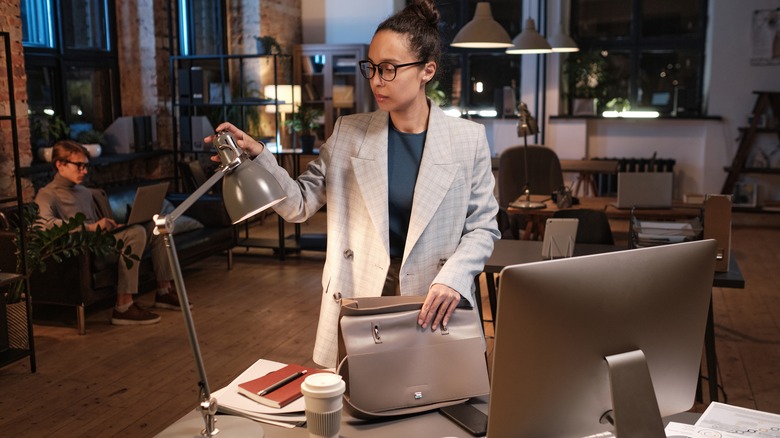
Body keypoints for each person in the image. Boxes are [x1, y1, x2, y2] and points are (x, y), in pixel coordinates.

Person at [207, 0, 499, 367]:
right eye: (372, 67)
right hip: (363, 291)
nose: (376, 80)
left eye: (389, 69)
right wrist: (259, 156)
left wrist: (454, 278)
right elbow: (298, 204)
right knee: (359, 405)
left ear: (427, 70)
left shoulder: (467, 139)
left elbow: (483, 227)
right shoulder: (349, 134)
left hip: (433, 295)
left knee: (432, 402)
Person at [34, 140, 182, 325]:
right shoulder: (47, 194)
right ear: (60, 164)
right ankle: (123, 306)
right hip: (86, 251)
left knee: (158, 227)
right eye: (79, 166)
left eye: (86, 166)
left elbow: (97, 223)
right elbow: (43, 226)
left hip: (103, 241)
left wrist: (111, 226)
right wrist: (90, 228)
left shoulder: (85, 192)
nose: (85, 171)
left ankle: (164, 291)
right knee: (136, 232)